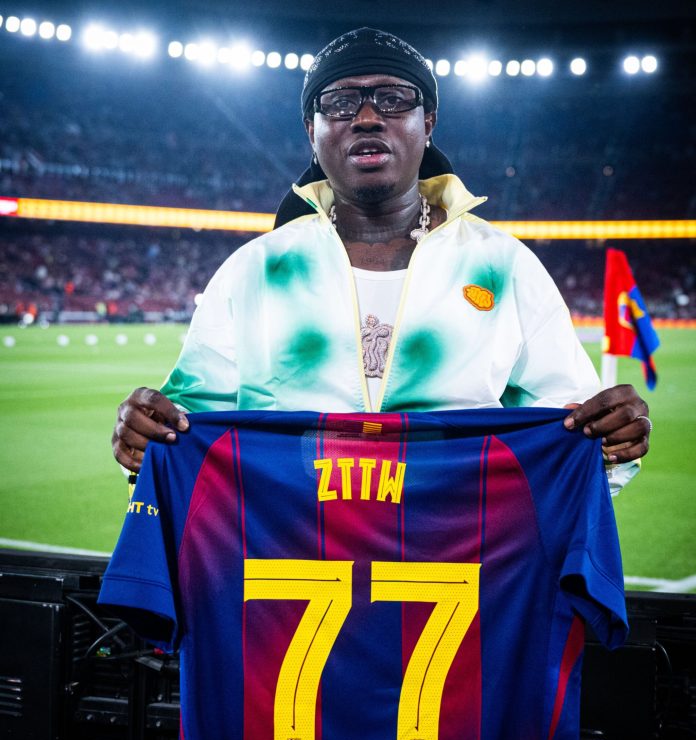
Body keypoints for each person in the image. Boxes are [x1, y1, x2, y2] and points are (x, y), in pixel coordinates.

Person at [111, 28, 651, 480]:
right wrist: (145, 436)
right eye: (340, 103)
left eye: (394, 99)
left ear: (428, 122)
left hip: (455, 577)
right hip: (290, 575)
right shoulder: (254, 271)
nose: (367, 117)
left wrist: (612, 436)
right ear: (312, 131)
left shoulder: (503, 267)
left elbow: (574, 432)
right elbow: (186, 428)